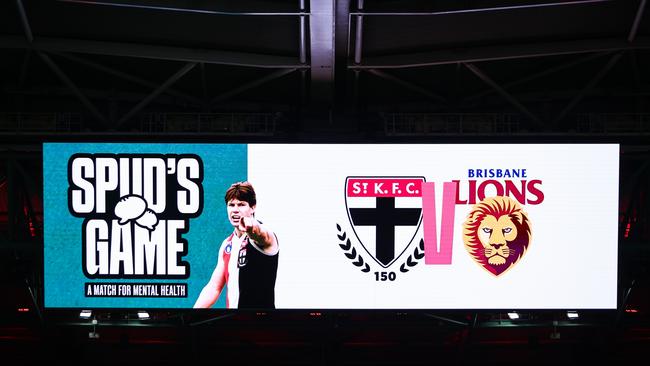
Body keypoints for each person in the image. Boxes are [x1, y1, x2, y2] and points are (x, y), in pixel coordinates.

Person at [194, 181, 279, 309]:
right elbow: (214, 287)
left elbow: (259, 233)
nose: (235, 210)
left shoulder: (266, 236)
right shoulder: (227, 244)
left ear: (253, 207)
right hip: (235, 323)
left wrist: (251, 227)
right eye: (231, 205)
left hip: (262, 324)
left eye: (241, 205)